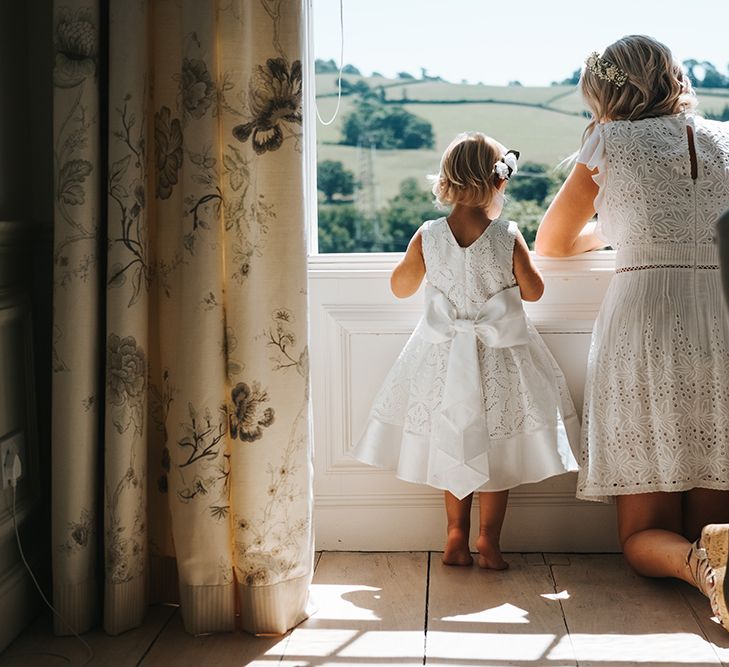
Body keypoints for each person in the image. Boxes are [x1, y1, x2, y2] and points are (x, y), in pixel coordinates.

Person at [536, 35, 729, 629]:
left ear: (605, 90)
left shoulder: (609, 140)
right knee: (715, 514)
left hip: (646, 321)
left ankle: (703, 569)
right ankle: (715, 557)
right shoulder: (725, 135)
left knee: (644, 533)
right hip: (721, 316)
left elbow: (554, 242)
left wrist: (613, 233)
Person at [354, 131, 579, 569]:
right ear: (497, 183)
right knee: (496, 453)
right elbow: (533, 291)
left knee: (455, 441)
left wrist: (424, 271)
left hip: (441, 358)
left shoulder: (428, 235)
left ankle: (454, 532)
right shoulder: (507, 235)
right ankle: (487, 540)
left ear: (446, 182)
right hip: (500, 362)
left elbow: (401, 287)